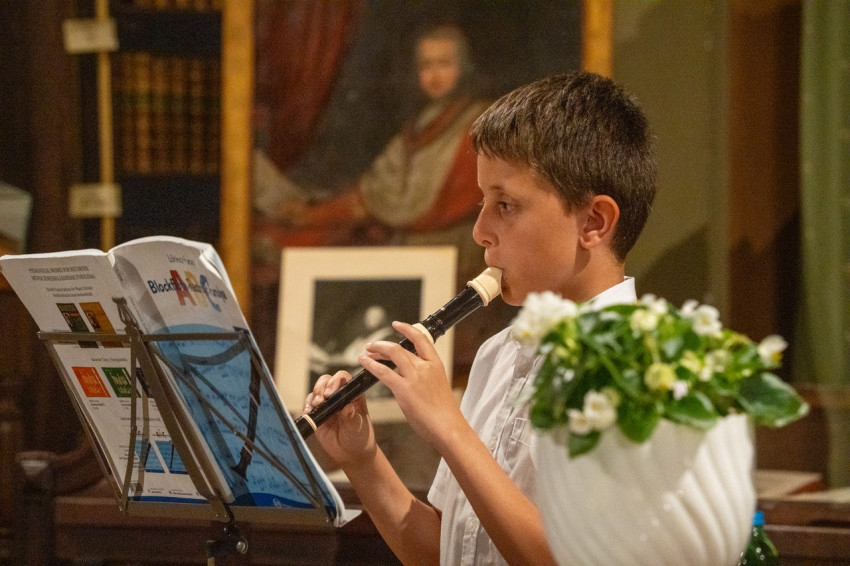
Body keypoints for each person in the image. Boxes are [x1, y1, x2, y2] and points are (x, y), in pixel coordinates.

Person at [304, 71, 657, 565]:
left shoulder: (644, 371)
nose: (480, 231)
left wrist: (449, 427)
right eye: (482, 203)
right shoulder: (499, 354)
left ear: (593, 223)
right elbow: (445, 551)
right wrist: (362, 459)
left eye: (505, 205)